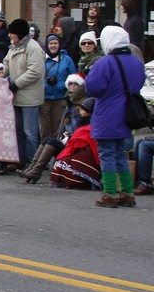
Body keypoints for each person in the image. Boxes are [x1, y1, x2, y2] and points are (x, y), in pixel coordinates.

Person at [85, 25, 146, 208]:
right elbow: (140, 83)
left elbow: (92, 88)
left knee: (107, 154)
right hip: (127, 114)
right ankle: (127, 192)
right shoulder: (136, 61)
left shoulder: (105, 62)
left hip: (107, 113)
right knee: (121, 153)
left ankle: (110, 193)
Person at [3, 18, 45, 168]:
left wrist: (16, 83)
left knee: (30, 133)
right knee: (18, 132)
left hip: (30, 98)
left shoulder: (33, 48)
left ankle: (32, 163)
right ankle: (19, 160)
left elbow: (35, 71)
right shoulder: (13, 47)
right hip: (16, 96)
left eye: (12, 33)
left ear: (19, 34)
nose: (9, 36)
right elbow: (6, 63)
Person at [47, 98, 102, 190]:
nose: (80, 112)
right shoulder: (82, 122)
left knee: (52, 142)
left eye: (83, 110)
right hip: (72, 147)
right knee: (48, 140)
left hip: (78, 151)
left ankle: (36, 170)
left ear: (90, 111)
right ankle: (35, 169)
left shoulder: (91, 125)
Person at [40, 33, 77, 141]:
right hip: (44, 98)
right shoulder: (41, 59)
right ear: (47, 45)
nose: (53, 46)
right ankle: (44, 153)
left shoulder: (67, 60)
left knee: (58, 128)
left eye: (55, 43)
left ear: (59, 44)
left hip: (60, 98)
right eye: (50, 43)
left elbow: (72, 78)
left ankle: (56, 153)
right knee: (45, 129)